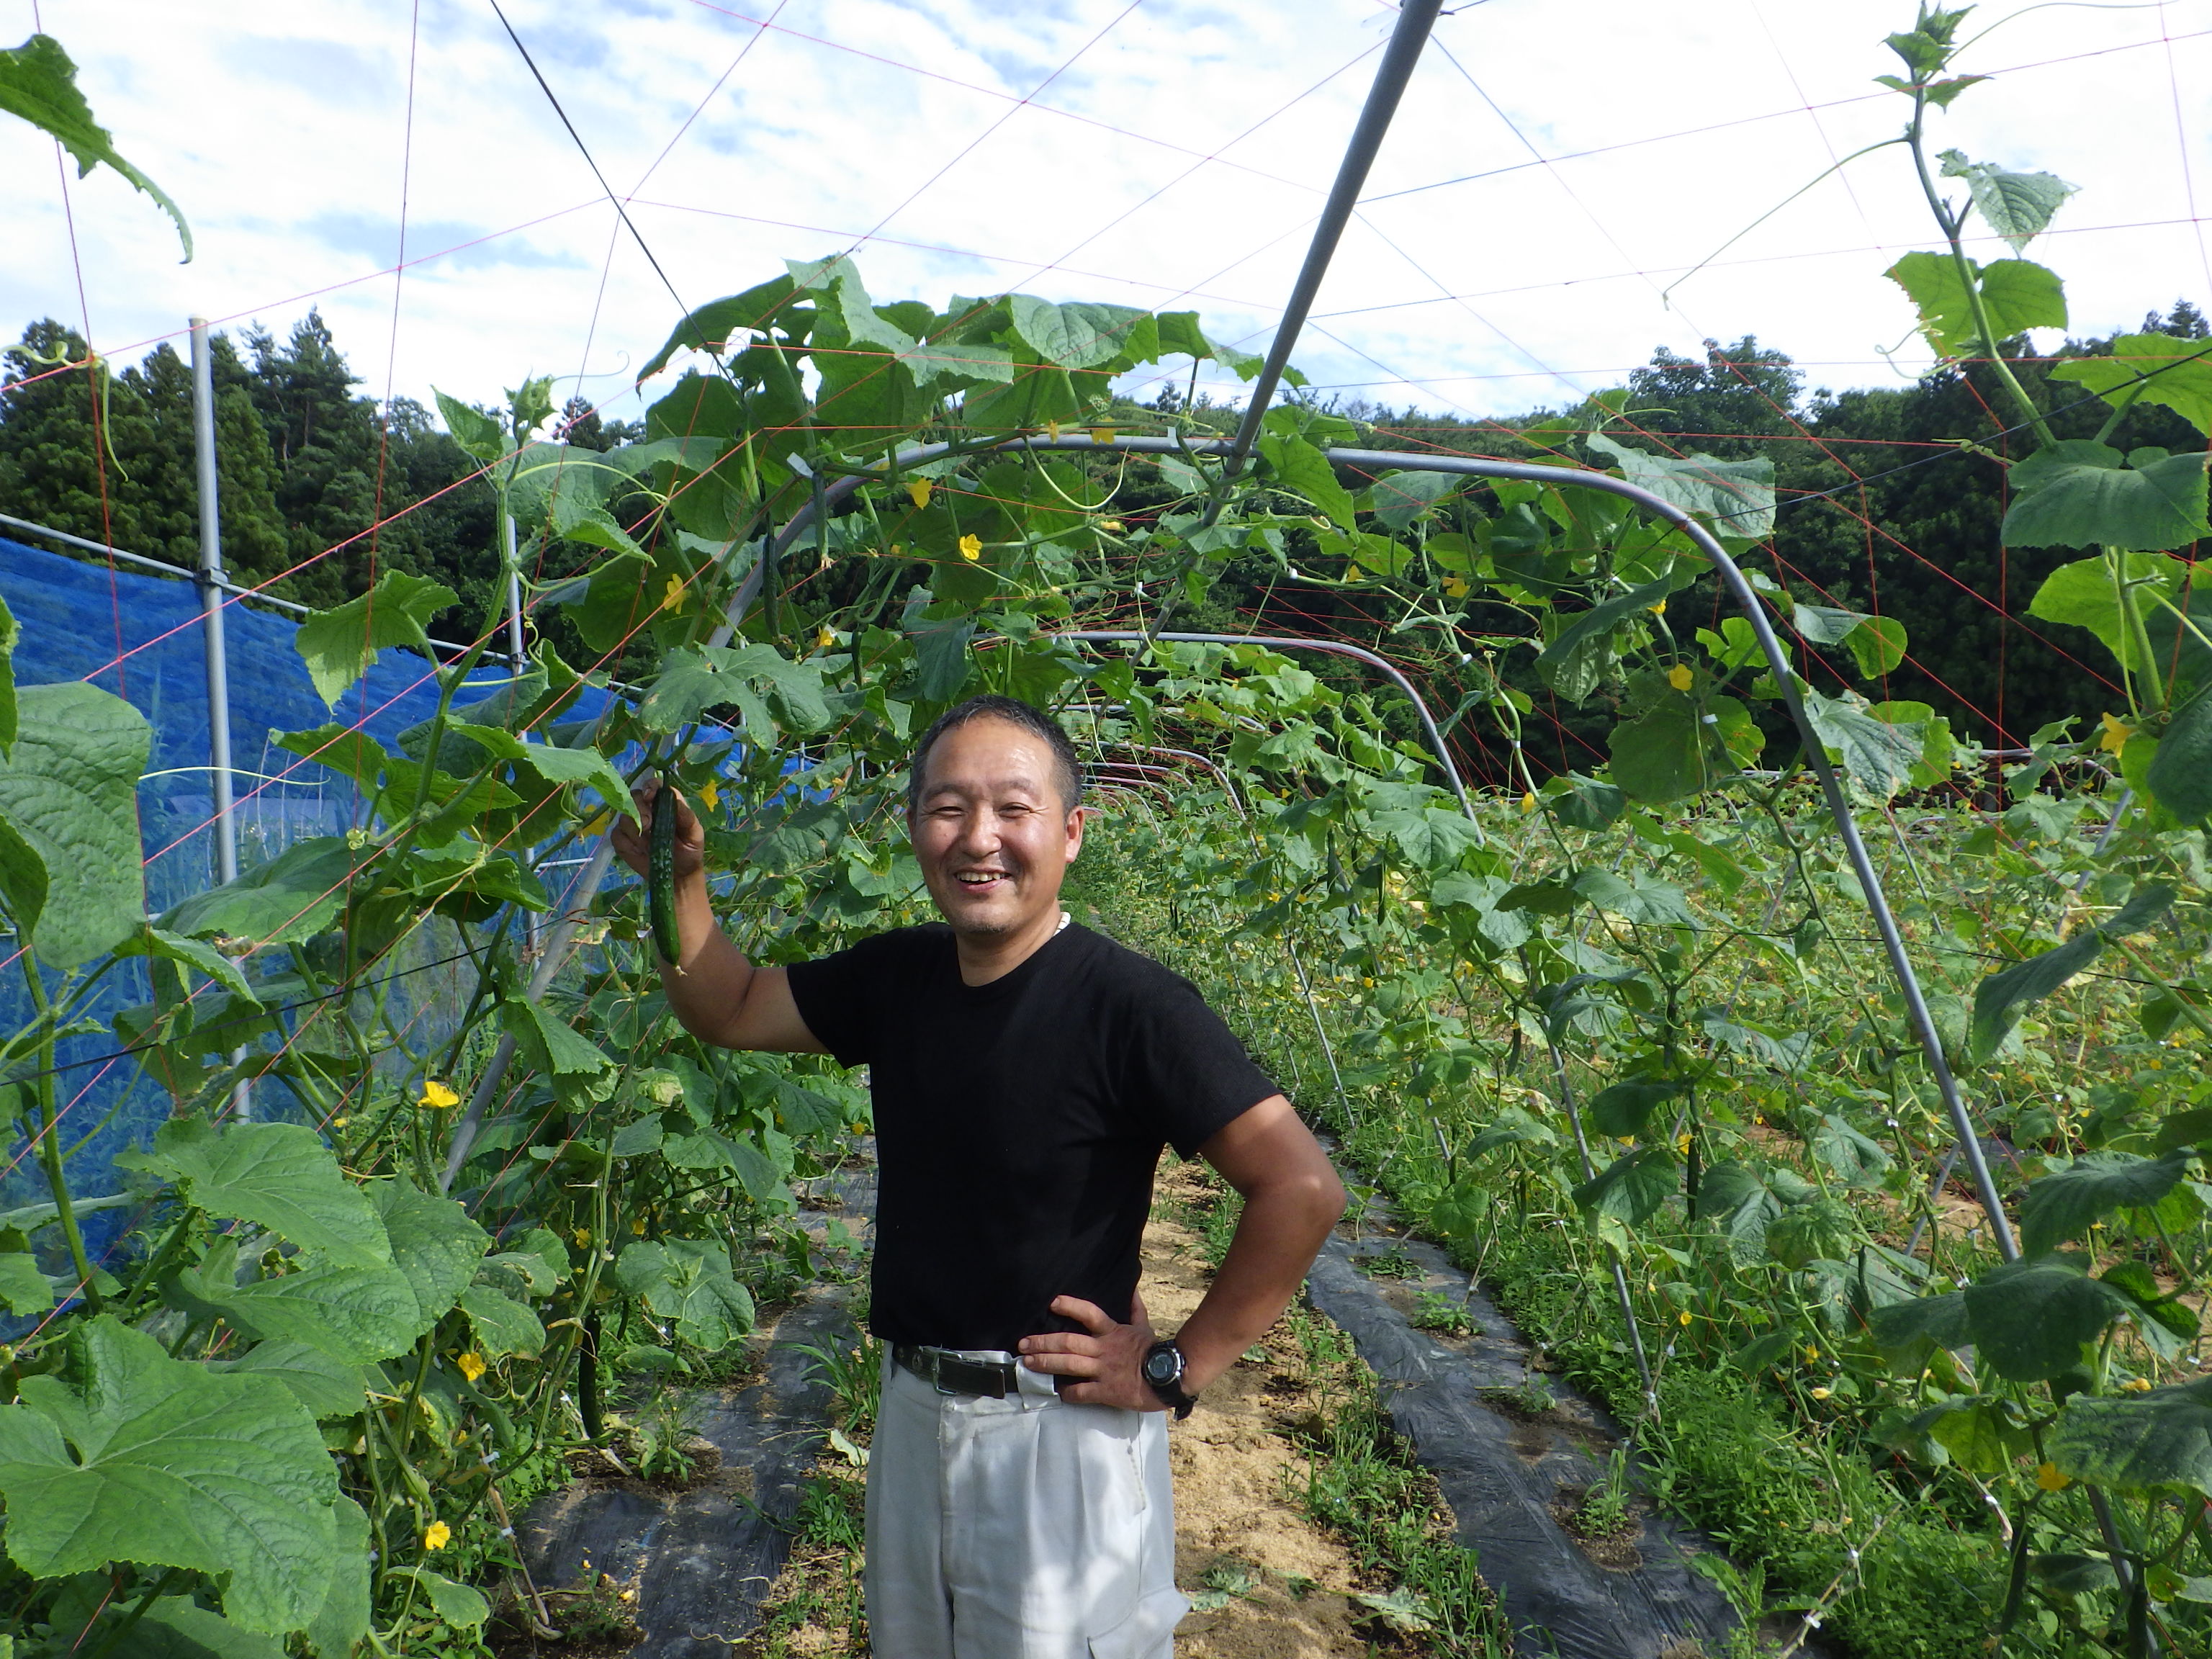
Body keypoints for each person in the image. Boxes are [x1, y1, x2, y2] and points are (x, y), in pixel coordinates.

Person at [611, 693, 1346, 1659]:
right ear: (916, 826)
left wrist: (1174, 1366)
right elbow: (734, 1006)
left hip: (1058, 1435)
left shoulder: (1134, 1008)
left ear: (1072, 832)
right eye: (949, 807)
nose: (979, 838)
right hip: (914, 1411)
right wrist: (682, 880)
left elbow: (1300, 1187)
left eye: (1014, 807)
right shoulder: (900, 978)